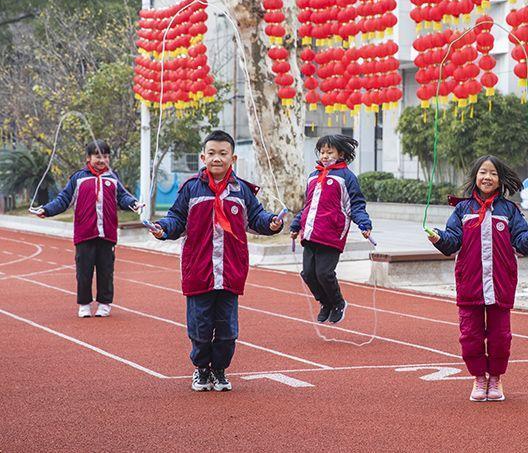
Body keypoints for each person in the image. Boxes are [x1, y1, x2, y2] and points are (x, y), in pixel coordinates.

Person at [149, 130, 283, 392]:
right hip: (199, 270)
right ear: (203, 156)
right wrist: (163, 228)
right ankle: (201, 369)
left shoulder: (241, 190)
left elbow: (257, 217)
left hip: (230, 271)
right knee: (199, 327)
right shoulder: (191, 189)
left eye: (223, 154)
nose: (217, 158)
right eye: (211, 153)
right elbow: (176, 218)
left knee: (227, 330)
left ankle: (220, 370)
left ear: (233, 158)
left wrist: (272, 223)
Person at [428, 155, 528, 402]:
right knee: (469, 336)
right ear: (475, 177)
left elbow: (521, 243)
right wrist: (438, 238)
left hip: (501, 284)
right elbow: (452, 242)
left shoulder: (509, 210)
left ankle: (495, 379)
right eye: (483, 172)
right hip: (470, 282)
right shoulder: (462, 209)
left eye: (493, 173)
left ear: (500, 179)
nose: (487, 177)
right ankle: (478, 378)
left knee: (500, 337)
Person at [35, 139, 142, 318]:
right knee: (83, 272)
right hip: (84, 234)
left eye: (106, 156)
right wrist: (46, 210)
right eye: (98, 156)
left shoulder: (112, 178)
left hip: (107, 234)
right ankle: (84, 304)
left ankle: (104, 303)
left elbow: (123, 198)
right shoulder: (79, 178)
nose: (102, 160)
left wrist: (134, 203)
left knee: (106, 271)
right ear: (88, 158)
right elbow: (63, 200)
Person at [290, 134, 372, 324]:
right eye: (322, 152)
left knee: (324, 273)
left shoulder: (346, 177)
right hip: (310, 233)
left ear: (341, 153)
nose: (325, 156)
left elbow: (356, 204)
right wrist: (296, 225)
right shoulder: (313, 176)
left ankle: (338, 303)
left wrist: (364, 223)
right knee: (308, 274)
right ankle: (325, 303)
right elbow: (307, 206)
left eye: (330, 152)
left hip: (331, 234)